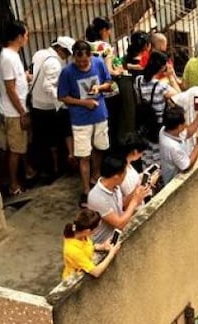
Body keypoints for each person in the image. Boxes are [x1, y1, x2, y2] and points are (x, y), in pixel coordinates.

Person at [58, 40, 113, 208]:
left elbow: (109, 83)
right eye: (79, 61)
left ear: (90, 56)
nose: (82, 64)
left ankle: (95, 176)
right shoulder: (67, 72)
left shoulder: (98, 63)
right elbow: (63, 96)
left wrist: (99, 88)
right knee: (83, 155)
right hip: (80, 119)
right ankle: (86, 190)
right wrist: (83, 103)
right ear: (74, 57)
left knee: (100, 148)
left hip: (100, 114)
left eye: (85, 61)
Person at [0, 20, 33, 196]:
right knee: (15, 150)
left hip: (15, 109)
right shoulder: (8, 57)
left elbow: (14, 83)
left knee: (17, 148)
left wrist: (25, 78)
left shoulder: (12, 55)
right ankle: (13, 184)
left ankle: (22, 174)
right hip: (13, 112)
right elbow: (10, 89)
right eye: (26, 35)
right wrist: (22, 112)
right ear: (19, 37)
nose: (27, 38)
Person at [30, 36, 74, 178]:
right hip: (48, 107)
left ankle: (46, 170)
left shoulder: (39, 54)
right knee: (53, 140)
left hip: (35, 103)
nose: (67, 57)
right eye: (67, 53)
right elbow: (48, 86)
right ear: (60, 49)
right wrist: (62, 101)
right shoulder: (55, 63)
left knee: (41, 140)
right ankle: (54, 170)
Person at [87, 154, 150, 245]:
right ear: (116, 176)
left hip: (118, 237)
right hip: (105, 244)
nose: (126, 175)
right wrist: (135, 201)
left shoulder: (115, 186)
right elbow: (119, 224)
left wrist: (137, 190)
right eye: (124, 173)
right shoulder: (96, 197)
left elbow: (122, 204)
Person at [134, 51, 179, 166]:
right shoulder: (161, 87)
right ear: (163, 68)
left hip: (143, 124)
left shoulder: (138, 81)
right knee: (158, 158)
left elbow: (140, 100)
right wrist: (171, 76)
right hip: (157, 126)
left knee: (146, 155)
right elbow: (179, 97)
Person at [62, 209, 121, 279]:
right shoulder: (72, 250)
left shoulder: (82, 235)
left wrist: (102, 247)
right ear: (87, 231)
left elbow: (88, 247)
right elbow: (96, 272)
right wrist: (111, 253)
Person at [159, 105, 198, 183]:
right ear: (179, 126)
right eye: (184, 121)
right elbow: (186, 166)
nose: (186, 123)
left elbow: (186, 134)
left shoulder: (164, 130)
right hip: (173, 182)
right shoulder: (173, 147)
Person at [114, 134, 159, 204]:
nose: (141, 155)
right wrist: (149, 183)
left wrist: (143, 176)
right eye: (141, 153)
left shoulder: (127, 163)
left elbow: (135, 181)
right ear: (135, 152)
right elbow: (133, 197)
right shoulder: (123, 173)